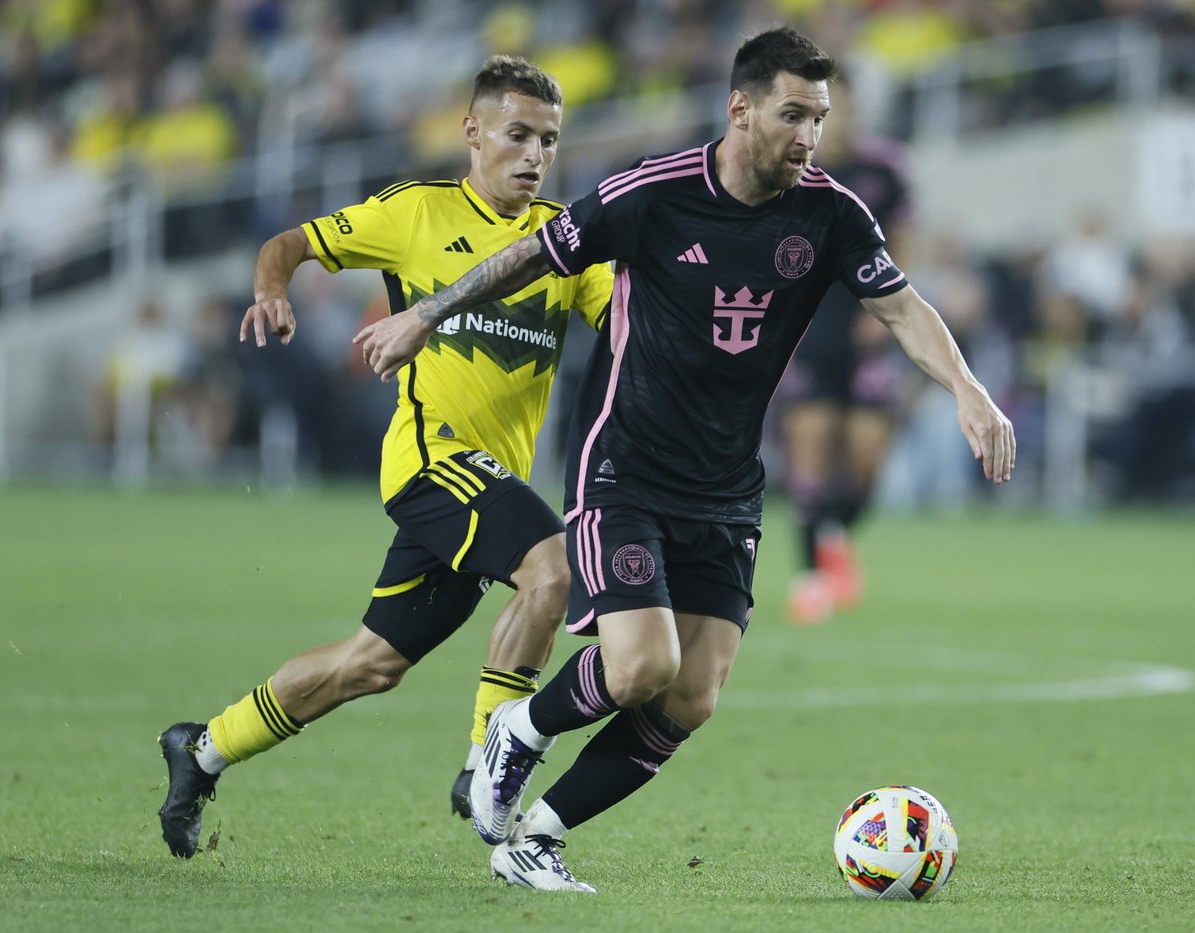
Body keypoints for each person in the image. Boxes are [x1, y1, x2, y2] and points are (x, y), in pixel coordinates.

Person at [354, 27, 1014, 893]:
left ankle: (538, 840)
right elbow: (528, 257)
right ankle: (520, 728)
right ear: (739, 109)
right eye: (792, 114)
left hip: (728, 488)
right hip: (624, 470)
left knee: (692, 694)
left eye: (818, 116)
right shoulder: (652, 193)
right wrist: (426, 314)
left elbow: (902, 309)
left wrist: (969, 389)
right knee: (639, 667)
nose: (809, 135)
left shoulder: (832, 212)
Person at [155, 56, 613, 859]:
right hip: (432, 460)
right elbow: (289, 242)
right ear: (472, 133)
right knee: (552, 569)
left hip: (488, 485)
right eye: (517, 135)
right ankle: (486, 764)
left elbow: (632, 328)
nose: (535, 155)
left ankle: (202, 749)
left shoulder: (565, 241)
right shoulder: (417, 213)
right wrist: (271, 287)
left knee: (367, 665)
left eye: (548, 139)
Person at [777, 77, 918, 624]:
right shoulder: (789, 169)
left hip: (868, 330)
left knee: (866, 468)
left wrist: (888, 306)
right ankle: (810, 577)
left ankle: (834, 533)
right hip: (808, 330)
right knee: (809, 454)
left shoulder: (885, 169)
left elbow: (905, 238)